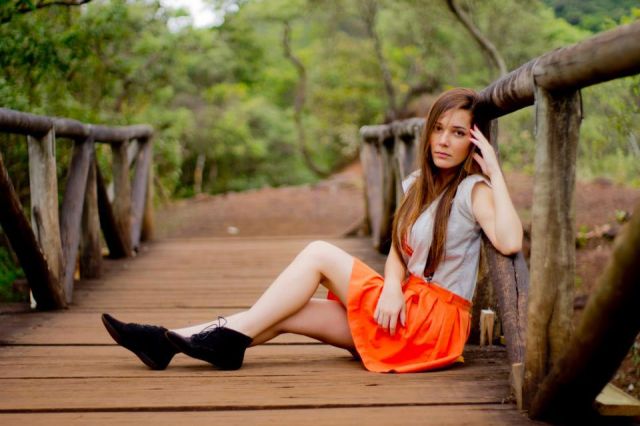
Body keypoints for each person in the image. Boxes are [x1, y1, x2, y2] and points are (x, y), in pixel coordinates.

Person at [101, 87, 523, 373]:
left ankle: (213, 342)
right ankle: (166, 342)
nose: (444, 141)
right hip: (401, 307)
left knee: (319, 252)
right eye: (438, 129)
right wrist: (393, 287)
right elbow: (399, 249)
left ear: (474, 142)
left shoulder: (473, 191)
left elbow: (509, 240)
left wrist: (494, 170)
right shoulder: (417, 185)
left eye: (458, 133)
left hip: (430, 328)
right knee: (289, 311)